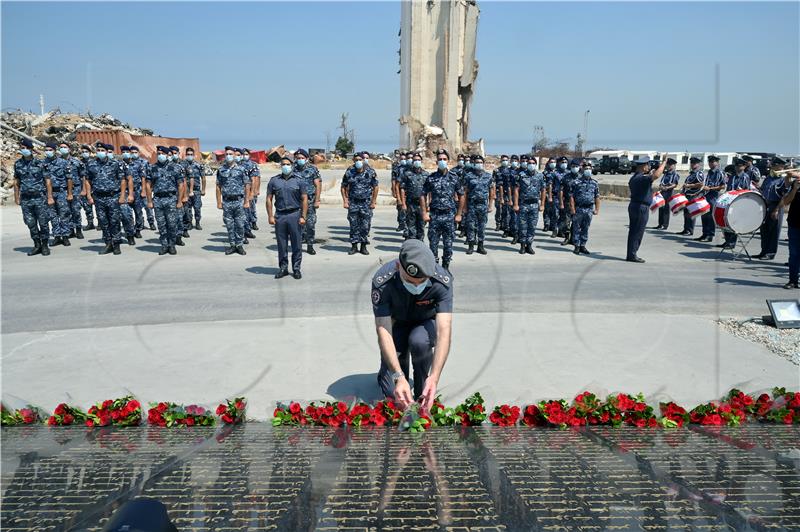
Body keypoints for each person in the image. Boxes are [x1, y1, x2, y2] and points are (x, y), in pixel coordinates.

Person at [372, 239, 454, 410]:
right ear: (398, 266)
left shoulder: (442, 281)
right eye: (410, 281)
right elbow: (383, 330)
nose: (416, 286)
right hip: (396, 325)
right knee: (393, 397)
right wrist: (398, 376)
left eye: (422, 281)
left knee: (419, 341)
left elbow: (444, 331)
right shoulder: (383, 282)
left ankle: (422, 384)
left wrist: (435, 377)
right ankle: (389, 374)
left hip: (425, 323)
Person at [421, 149, 465, 270]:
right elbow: (422, 194)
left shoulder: (454, 177)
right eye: (440, 159)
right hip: (434, 216)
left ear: (448, 161)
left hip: (449, 216)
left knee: (448, 245)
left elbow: (462, 195)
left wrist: (459, 214)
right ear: (436, 162)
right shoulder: (431, 178)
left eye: (444, 159)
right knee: (433, 246)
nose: (442, 161)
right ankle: (434, 270)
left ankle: (445, 269)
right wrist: (424, 213)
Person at [267, 155, 308, 279]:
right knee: (282, 244)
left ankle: (296, 269)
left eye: (288, 164)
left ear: (292, 165)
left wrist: (303, 216)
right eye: (283, 164)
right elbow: (269, 199)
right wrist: (270, 216)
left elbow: (304, 199)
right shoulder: (274, 180)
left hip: (294, 214)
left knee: (296, 244)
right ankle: (283, 268)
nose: (285, 166)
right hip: (280, 215)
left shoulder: (299, 180)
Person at [85, 143, 127, 255]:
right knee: (103, 222)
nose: (100, 151)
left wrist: (122, 195)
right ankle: (108, 243)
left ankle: (117, 244)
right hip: (99, 197)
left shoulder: (115, 163)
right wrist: (89, 196)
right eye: (98, 150)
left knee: (114, 221)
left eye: (102, 149)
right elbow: (87, 181)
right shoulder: (91, 164)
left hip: (113, 196)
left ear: (106, 151)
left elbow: (123, 180)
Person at [14, 139, 52, 256]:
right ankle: (37, 244)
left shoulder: (40, 163)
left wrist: (50, 197)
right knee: (30, 223)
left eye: (26, 148)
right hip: (26, 199)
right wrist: (17, 197)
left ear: (31, 150)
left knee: (43, 222)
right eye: (22, 148)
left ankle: (45, 245)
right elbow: (16, 181)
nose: (24, 150)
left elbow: (48, 181)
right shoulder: (18, 164)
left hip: (39, 198)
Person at [146, 146, 184, 255]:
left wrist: (179, 201)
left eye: (162, 153)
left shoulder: (175, 167)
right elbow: (148, 185)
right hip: (158, 199)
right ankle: (164, 245)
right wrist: (149, 201)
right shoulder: (152, 168)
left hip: (171, 198)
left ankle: (171, 245)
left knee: (172, 224)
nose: (160, 155)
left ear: (167, 155)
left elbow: (181, 184)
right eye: (158, 153)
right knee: (161, 224)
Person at [627, 157, 667, 263]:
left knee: (633, 231)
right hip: (641, 208)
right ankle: (632, 254)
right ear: (644, 166)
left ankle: (631, 253)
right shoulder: (641, 178)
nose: (649, 167)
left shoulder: (634, 178)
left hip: (635, 205)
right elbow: (656, 175)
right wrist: (663, 163)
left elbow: (644, 191)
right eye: (648, 165)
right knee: (638, 231)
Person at [341, 152, 378, 255]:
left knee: (365, 226)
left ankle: (363, 246)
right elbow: (343, 186)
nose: (358, 162)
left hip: (366, 203)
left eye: (360, 160)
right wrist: (345, 200)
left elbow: (375, 187)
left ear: (364, 160)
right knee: (353, 225)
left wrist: (373, 201)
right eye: (356, 160)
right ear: (353, 161)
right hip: (353, 203)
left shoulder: (370, 172)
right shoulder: (349, 172)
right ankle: (354, 246)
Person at [215, 146, 251, 256]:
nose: (229, 156)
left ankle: (239, 245)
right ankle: (232, 245)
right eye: (227, 154)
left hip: (239, 201)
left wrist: (246, 201)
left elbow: (247, 185)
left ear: (235, 155)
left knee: (240, 224)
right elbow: (218, 187)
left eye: (231, 154)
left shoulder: (241, 169)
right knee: (229, 225)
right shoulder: (221, 170)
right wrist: (219, 202)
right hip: (227, 201)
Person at [754, 157, 790, 260]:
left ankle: (770, 253)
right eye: (772, 166)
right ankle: (763, 251)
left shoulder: (783, 180)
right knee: (764, 230)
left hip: (776, 205)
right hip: (765, 205)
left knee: (774, 231)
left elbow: (785, 196)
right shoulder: (769, 178)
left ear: (781, 167)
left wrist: (777, 210)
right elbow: (763, 190)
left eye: (775, 166)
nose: (772, 168)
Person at [41, 142, 72, 247]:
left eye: (50, 150)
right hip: (48, 193)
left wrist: (69, 193)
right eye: (46, 150)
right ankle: (57, 236)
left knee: (64, 214)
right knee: (52, 215)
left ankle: (66, 236)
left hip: (61, 191)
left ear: (55, 151)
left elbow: (69, 178)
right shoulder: (42, 163)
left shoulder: (63, 162)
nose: (48, 152)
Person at [513, 156, 545, 255]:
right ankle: (522, 245)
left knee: (532, 226)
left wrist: (542, 204)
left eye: (533, 163)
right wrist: (516, 204)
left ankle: (529, 245)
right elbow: (516, 190)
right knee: (522, 226)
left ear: (535, 164)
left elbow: (543, 190)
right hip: (523, 204)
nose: (531, 165)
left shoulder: (540, 176)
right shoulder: (521, 175)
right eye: (529, 163)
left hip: (534, 204)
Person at [463, 154, 494, 255]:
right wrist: (464, 207)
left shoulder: (488, 176)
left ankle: (480, 246)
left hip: (483, 205)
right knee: (471, 226)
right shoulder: (468, 176)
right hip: (472, 204)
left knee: (482, 226)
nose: (479, 164)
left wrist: (490, 205)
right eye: (477, 163)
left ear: (483, 164)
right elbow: (465, 192)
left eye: (481, 162)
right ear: (474, 163)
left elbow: (491, 192)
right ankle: (471, 246)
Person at [569, 159, 600, 255]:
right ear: (582, 169)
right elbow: (571, 197)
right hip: (579, 208)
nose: (588, 170)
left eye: (589, 168)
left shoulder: (594, 183)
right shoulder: (576, 182)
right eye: (586, 168)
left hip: (589, 208)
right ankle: (577, 245)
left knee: (586, 227)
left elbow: (597, 197)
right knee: (576, 227)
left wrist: (597, 209)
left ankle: (583, 245)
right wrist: (572, 208)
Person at [719, 158, 751, 249]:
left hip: (738, 202)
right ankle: (727, 241)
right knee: (726, 222)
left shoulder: (745, 177)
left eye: (740, 166)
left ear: (744, 167)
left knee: (733, 222)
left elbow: (746, 190)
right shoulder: (732, 176)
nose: (737, 167)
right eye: (736, 165)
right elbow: (728, 188)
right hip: (729, 201)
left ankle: (732, 242)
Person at [294, 148, 321, 255]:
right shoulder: (292, 169)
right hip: (296, 201)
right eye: (298, 158)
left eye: (302, 158)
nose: (300, 160)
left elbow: (317, 185)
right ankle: (298, 245)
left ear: (306, 158)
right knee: (297, 225)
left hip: (310, 200)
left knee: (310, 224)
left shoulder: (312, 169)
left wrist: (317, 200)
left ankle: (310, 245)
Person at [697, 155, 726, 242]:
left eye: (713, 162)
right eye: (710, 162)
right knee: (704, 215)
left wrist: (710, 188)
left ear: (717, 163)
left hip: (713, 196)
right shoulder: (708, 172)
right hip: (705, 196)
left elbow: (723, 186)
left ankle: (710, 235)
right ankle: (704, 233)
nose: (711, 163)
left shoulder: (720, 173)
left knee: (710, 217)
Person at [779, 168, 800, 288]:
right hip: (794, 224)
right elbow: (785, 202)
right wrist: (795, 189)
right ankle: (793, 281)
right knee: (794, 254)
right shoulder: (795, 184)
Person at [400, 152, 428, 241]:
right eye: (415, 160)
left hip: (422, 205)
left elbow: (430, 191)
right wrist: (403, 203)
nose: (417, 162)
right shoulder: (407, 174)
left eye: (419, 160)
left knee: (421, 225)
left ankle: (420, 243)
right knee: (411, 225)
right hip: (410, 203)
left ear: (421, 161)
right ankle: (412, 244)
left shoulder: (426, 175)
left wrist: (429, 203)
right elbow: (402, 189)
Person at [677, 157, 705, 236]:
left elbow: (701, 184)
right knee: (686, 214)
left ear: (698, 164)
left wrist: (689, 185)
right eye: (692, 163)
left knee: (691, 214)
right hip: (687, 195)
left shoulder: (698, 173)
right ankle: (686, 229)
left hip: (693, 195)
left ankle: (690, 230)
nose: (692, 164)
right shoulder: (691, 174)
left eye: (694, 163)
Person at [560, 158, 581, 246]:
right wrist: (561, 202)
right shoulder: (566, 177)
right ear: (570, 167)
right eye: (573, 166)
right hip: (568, 202)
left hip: (578, 203)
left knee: (576, 222)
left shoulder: (581, 177)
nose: (575, 168)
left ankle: (574, 239)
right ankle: (567, 237)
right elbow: (561, 190)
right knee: (566, 221)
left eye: (576, 166)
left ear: (579, 167)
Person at [654, 158, 680, 230]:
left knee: (666, 209)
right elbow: (662, 182)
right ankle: (660, 224)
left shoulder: (675, 174)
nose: (668, 166)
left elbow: (675, 184)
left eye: (670, 165)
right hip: (662, 191)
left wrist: (667, 188)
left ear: (674, 165)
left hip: (668, 192)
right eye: (668, 164)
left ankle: (665, 225)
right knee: (661, 208)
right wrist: (661, 186)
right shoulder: (666, 173)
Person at [240, 147, 260, 236]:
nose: (244, 156)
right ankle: (246, 227)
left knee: (252, 208)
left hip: (251, 190)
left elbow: (256, 178)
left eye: (246, 154)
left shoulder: (253, 164)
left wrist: (255, 190)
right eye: (243, 154)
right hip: (242, 191)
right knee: (245, 211)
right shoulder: (238, 164)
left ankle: (253, 222)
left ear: (249, 155)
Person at [184, 147, 205, 230]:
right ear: (186, 155)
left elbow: (203, 178)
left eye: (191, 154)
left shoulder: (198, 165)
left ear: (194, 155)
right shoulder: (182, 165)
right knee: (187, 208)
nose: (190, 156)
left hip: (196, 190)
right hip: (186, 190)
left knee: (197, 207)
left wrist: (203, 189)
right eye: (188, 154)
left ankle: (197, 223)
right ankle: (189, 223)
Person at [552, 156, 569, 238]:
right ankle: (554, 230)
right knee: (555, 214)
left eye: (565, 162)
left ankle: (561, 231)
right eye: (562, 162)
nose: (564, 164)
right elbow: (550, 185)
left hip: (565, 197)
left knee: (564, 215)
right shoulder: (555, 173)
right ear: (559, 163)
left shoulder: (569, 173)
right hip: (556, 196)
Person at [492, 155, 509, 231]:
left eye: (506, 160)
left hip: (508, 193)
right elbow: (493, 183)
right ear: (501, 161)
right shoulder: (496, 171)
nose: (504, 161)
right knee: (499, 209)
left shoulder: (510, 171)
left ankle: (505, 224)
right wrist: (494, 194)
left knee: (506, 210)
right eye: (503, 160)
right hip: (498, 193)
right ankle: (498, 224)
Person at [392, 151, 408, 233]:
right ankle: (401, 224)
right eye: (402, 159)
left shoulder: (410, 169)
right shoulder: (398, 168)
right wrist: (394, 191)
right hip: (401, 191)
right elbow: (394, 180)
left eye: (405, 159)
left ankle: (404, 225)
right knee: (400, 208)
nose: (403, 160)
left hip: (408, 193)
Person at [542, 157, 557, 233]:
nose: (552, 163)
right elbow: (543, 185)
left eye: (554, 162)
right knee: (547, 210)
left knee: (555, 211)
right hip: (547, 194)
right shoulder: (545, 173)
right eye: (551, 162)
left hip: (556, 194)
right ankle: (546, 224)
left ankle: (553, 226)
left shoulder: (557, 172)